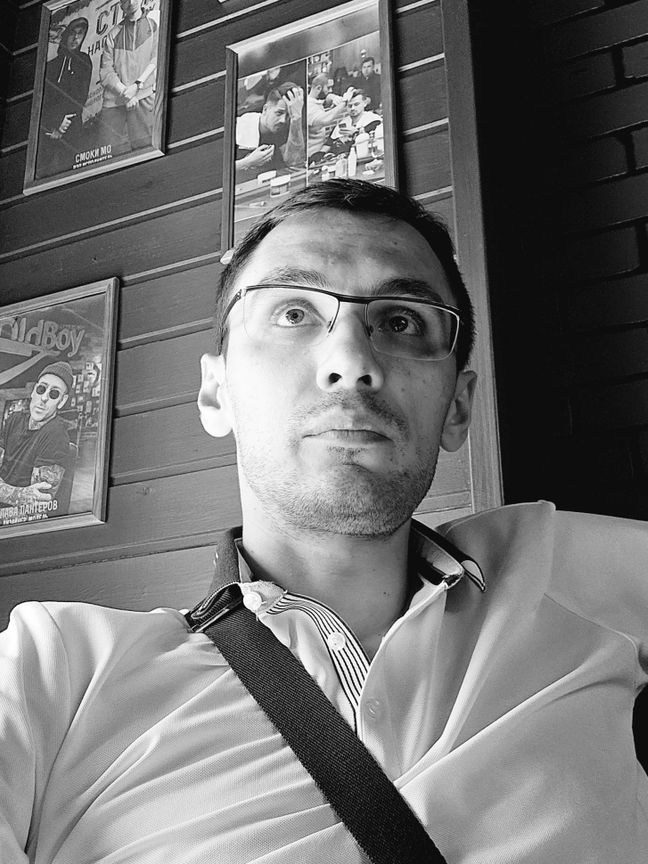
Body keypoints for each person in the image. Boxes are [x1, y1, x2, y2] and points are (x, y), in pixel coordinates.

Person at [0, 180, 646, 863]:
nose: (351, 363)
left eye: (402, 322)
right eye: (292, 312)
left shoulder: (556, 567)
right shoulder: (55, 671)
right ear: (217, 392)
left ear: (458, 407)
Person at [0, 362, 73, 513]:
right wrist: (15, 494)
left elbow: (39, 501)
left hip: (16, 516)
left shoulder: (56, 435)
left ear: (62, 401)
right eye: (41, 389)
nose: (44, 398)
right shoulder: (14, 419)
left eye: (54, 394)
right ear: (34, 391)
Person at [99, 0, 158, 155]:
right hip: (114, 103)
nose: (131, 2)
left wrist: (137, 85)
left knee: (146, 150)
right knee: (109, 153)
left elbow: (156, 58)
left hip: (144, 97)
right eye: (125, 0)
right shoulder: (113, 34)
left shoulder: (152, 26)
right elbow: (106, 71)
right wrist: (125, 93)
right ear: (120, 5)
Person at [36, 17, 93, 178]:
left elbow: (79, 96)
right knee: (44, 172)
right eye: (73, 33)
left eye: (80, 34)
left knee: (71, 171)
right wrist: (53, 125)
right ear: (66, 35)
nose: (76, 38)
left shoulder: (83, 61)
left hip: (72, 125)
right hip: (49, 128)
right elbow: (45, 101)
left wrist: (63, 124)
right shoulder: (51, 66)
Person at [235, 83, 305, 179]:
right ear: (265, 109)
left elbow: (295, 163)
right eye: (279, 113)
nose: (283, 120)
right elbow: (218, 171)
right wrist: (248, 162)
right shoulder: (239, 127)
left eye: (288, 115)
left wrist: (296, 118)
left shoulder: (286, 126)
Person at [306, 73, 354, 158]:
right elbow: (326, 119)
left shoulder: (316, 101)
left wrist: (332, 97)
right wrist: (344, 102)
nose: (331, 90)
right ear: (318, 88)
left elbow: (324, 102)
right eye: (328, 88)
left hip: (320, 152)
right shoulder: (309, 106)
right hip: (310, 156)